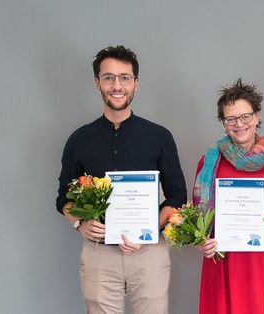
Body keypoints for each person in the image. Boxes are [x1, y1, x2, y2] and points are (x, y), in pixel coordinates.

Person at [56, 45, 187, 314]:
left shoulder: (159, 137)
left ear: (136, 84)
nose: (117, 85)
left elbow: (176, 196)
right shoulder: (79, 140)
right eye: (108, 78)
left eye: (125, 78)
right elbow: (63, 198)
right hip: (99, 253)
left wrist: (149, 228)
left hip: (148, 251)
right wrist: (80, 223)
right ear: (97, 83)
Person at [194, 78, 264, 314]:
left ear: (257, 116)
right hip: (222, 261)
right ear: (223, 122)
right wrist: (202, 242)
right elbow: (197, 220)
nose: (238, 124)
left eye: (245, 116)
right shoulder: (209, 162)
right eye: (230, 119)